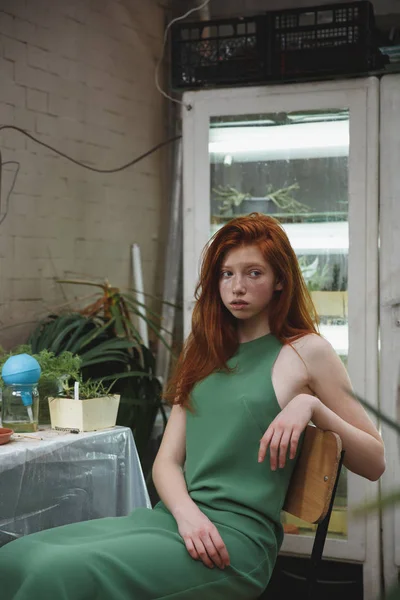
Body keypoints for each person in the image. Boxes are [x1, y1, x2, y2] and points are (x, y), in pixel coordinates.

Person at [0, 213, 385, 599]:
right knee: (17, 556)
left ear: (280, 280)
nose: (237, 287)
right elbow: (166, 462)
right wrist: (188, 518)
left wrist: (310, 406)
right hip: (177, 522)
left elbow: (375, 461)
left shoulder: (307, 352)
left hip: (234, 542)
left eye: (254, 273)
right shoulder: (204, 350)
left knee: (56, 574)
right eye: (226, 274)